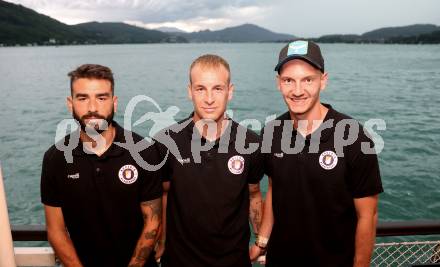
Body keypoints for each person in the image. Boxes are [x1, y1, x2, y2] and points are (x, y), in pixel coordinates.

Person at [250, 40, 384, 267]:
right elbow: (274, 188)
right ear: (278, 84)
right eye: (288, 80)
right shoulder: (271, 132)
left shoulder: (354, 137)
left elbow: (367, 216)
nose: (298, 90)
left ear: (323, 81)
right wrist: (262, 242)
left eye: (308, 80)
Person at [40, 64, 162, 267]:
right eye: (83, 98)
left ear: (114, 103)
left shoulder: (143, 151)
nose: (92, 108)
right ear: (70, 103)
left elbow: (153, 221)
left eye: (101, 98)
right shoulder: (56, 159)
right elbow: (56, 231)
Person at [153, 54, 264, 267]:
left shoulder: (251, 143)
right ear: (190, 92)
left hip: (233, 261)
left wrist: (261, 240)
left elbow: (254, 194)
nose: (209, 98)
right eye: (201, 89)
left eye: (218, 88)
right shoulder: (166, 142)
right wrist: (161, 240)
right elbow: (162, 195)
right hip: (180, 261)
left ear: (230, 91)